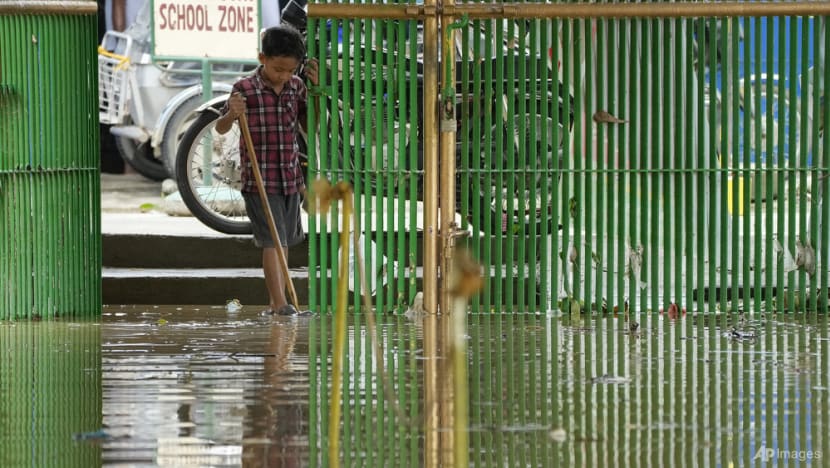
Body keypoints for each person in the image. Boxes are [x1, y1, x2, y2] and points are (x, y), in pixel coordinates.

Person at [216, 25, 318, 316]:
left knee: (283, 241)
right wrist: (232, 113)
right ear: (262, 58)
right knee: (272, 242)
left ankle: (277, 304)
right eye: (278, 69)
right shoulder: (244, 89)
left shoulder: (296, 87)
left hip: (290, 177)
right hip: (259, 179)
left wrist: (315, 94)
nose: (284, 76)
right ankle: (280, 303)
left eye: (290, 70)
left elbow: (310, 126)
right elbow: (221, 127)